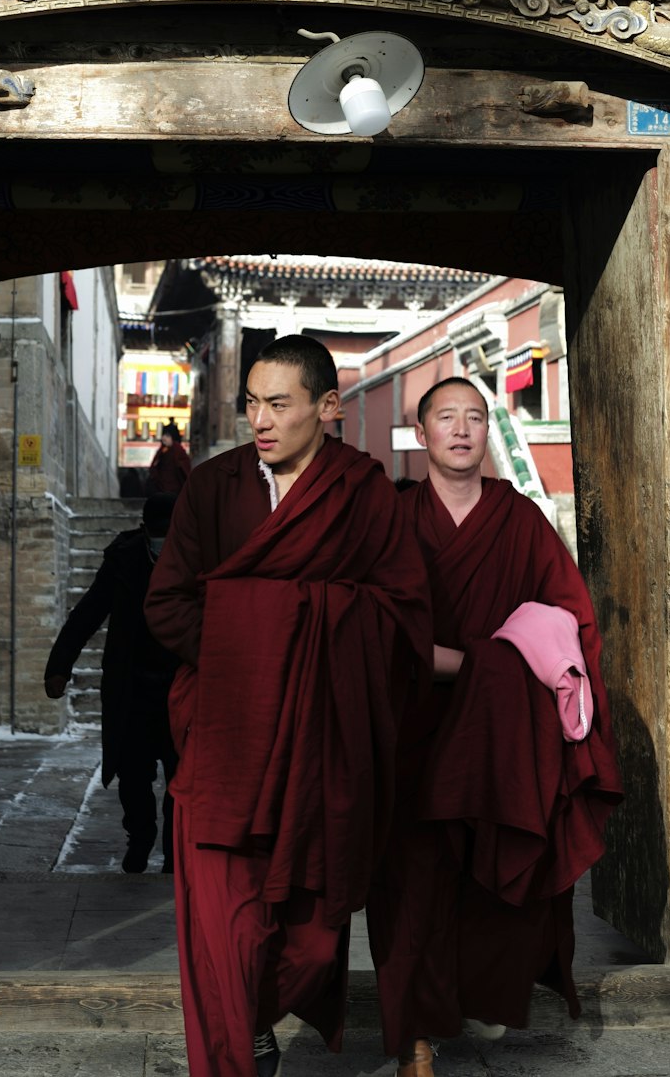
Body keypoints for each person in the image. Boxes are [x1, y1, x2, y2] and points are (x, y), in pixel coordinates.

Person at [145, 334, 433, 1077]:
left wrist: (290, 626)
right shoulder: (213, 489)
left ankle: (259, 1016)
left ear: (327, 407)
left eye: (279, 404)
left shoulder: (362, 491)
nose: (260, 421)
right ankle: (234, 1050)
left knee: (309, 941)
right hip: (226, 738)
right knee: (222, 933)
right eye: (251, 404)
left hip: (322, 744)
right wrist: (255, 646)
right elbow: (168, 605)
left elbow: (403, 611)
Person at [367, 378, 623, 1077]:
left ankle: (479, 998)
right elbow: (371, 624)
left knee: (495, 879)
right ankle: (415, 1036)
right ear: (421, 434)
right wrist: (453, 662)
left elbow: (573, 620)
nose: (460, 430)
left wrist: (479, 663)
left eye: (474, 418)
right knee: (412, 884)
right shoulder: (392, 518)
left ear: (488, 432)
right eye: (445, 418)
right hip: (416, 729)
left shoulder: (520, 521)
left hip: (505, 735)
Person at [44, 493, 180, 873]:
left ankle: (174, 850)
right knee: (133, 775)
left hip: (180, 688)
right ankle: (139, 840)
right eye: (156, 532)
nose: (161, 539)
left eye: (167, 532)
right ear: (144, 528)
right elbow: (89, 611)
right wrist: (59, 665)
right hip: (132, 687)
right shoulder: (124, 560)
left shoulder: (192, 559)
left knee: (182, 778)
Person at [145, 420, 191, 497]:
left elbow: (184, 469)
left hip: (175, 488)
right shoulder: (163, 450)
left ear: (173, 437)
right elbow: (154, 466)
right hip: (162, 487)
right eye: (163, 436)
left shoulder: (178, 450)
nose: (163, 438)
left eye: (167, 436)